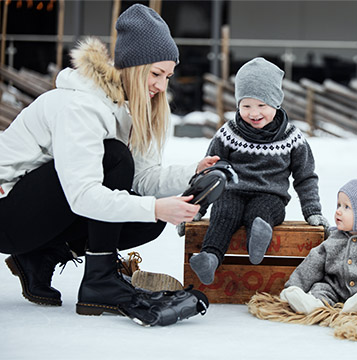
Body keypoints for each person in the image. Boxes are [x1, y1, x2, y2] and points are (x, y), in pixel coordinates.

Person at [0, 4, 210, 324]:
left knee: (146, 217)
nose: (162, 86)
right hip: (6, 214)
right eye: (156, 74)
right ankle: (99, 282)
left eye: (168, 76)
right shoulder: (81, 105)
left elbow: (141, 180)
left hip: (36, 215)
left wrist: (194, 173)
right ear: (133, 67)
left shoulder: (125, 109)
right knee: (114, 157)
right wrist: (155, 207)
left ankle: (40, 257)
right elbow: (83, 194)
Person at [187, 57, 325, 285]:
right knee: (224, 212)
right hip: (232, 191)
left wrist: (312, 211)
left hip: (271, 197)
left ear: (276, 103)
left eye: (262, 105)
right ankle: (210, 258)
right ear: (238, 105)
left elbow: (305, 177)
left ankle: (257, 240)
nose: (254, 113)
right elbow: (209, 172)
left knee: (260, 213)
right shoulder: (228, 133)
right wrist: (196, 207)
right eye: (246, 106)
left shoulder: (292, 138)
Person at [280, 162, 357, 315]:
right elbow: (313, 263)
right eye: (338, 205)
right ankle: (312, 304)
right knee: (321, 289)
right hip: (334, 288)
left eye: (346, 207)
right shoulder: (334, 239)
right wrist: (294, 285)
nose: (338, 212)